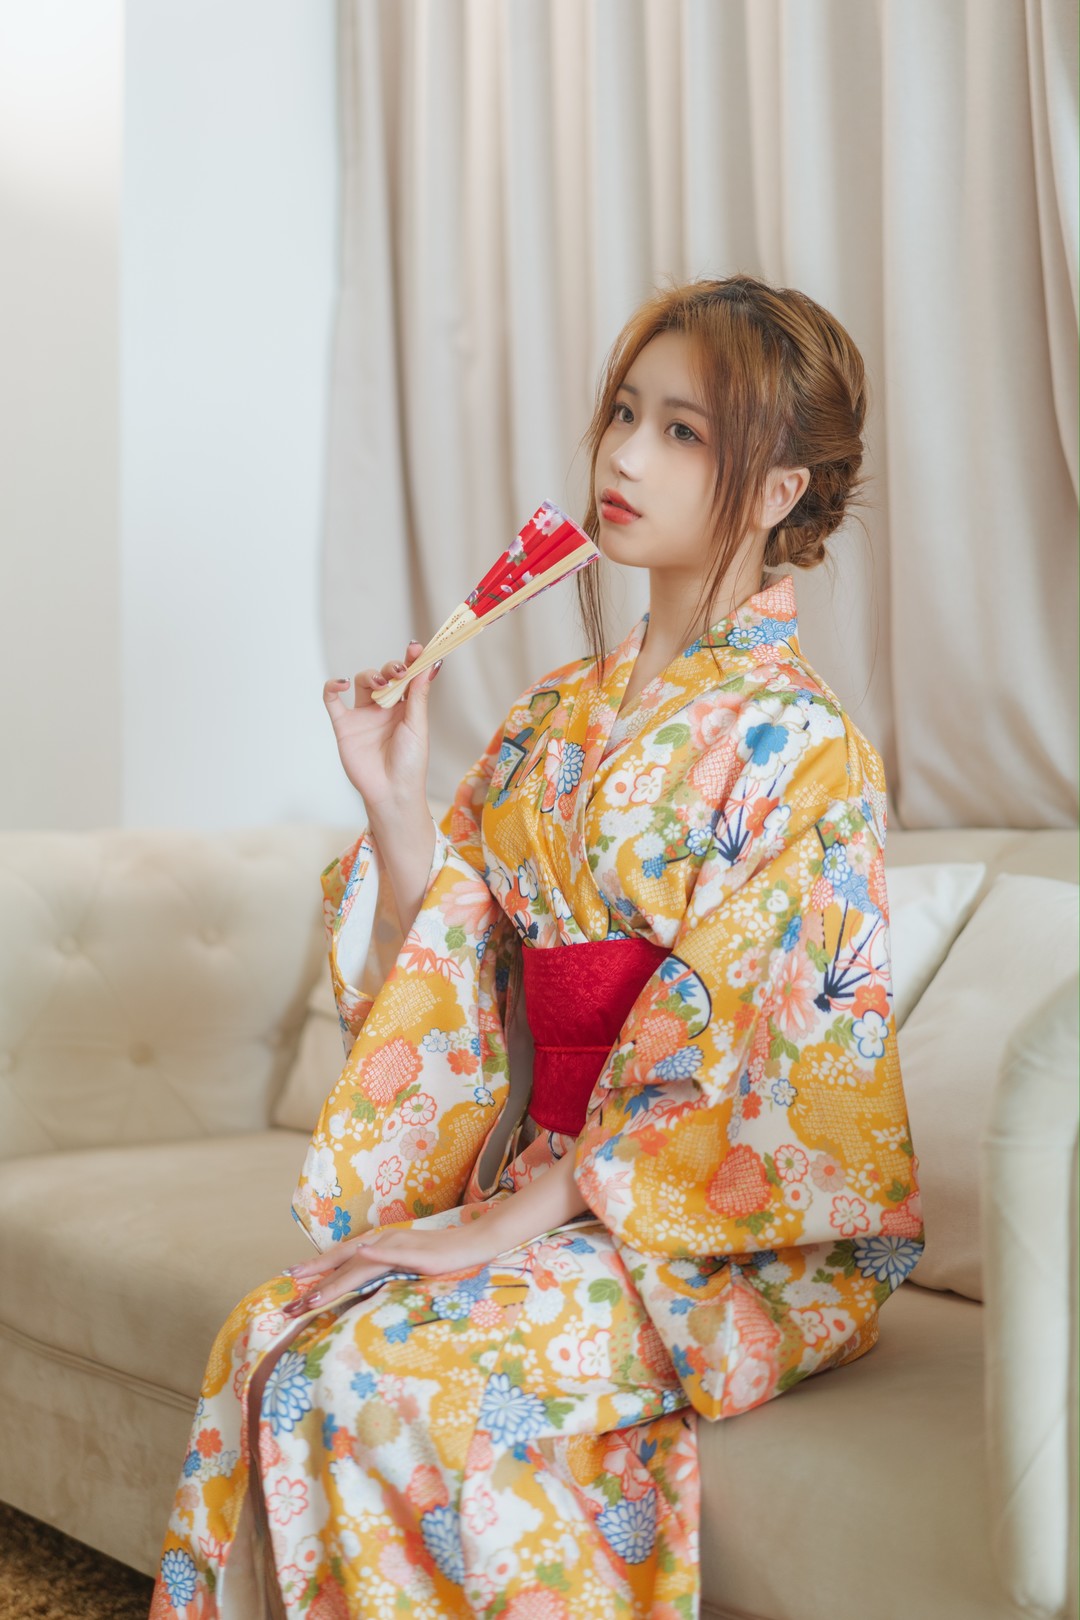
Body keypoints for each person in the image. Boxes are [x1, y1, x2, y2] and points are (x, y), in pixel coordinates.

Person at [150, 274, 924, 1620]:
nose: (623, 456)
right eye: (626, 413)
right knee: (269, 1335)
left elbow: (762, 1063)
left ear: (775, 492)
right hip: (559, 1182)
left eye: (683, 432)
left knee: (378, 1378)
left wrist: (514, 1219)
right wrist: (395, 802)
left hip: (714, 1230)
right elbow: (451, 984)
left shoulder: (807, 752)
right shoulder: (548, 720)